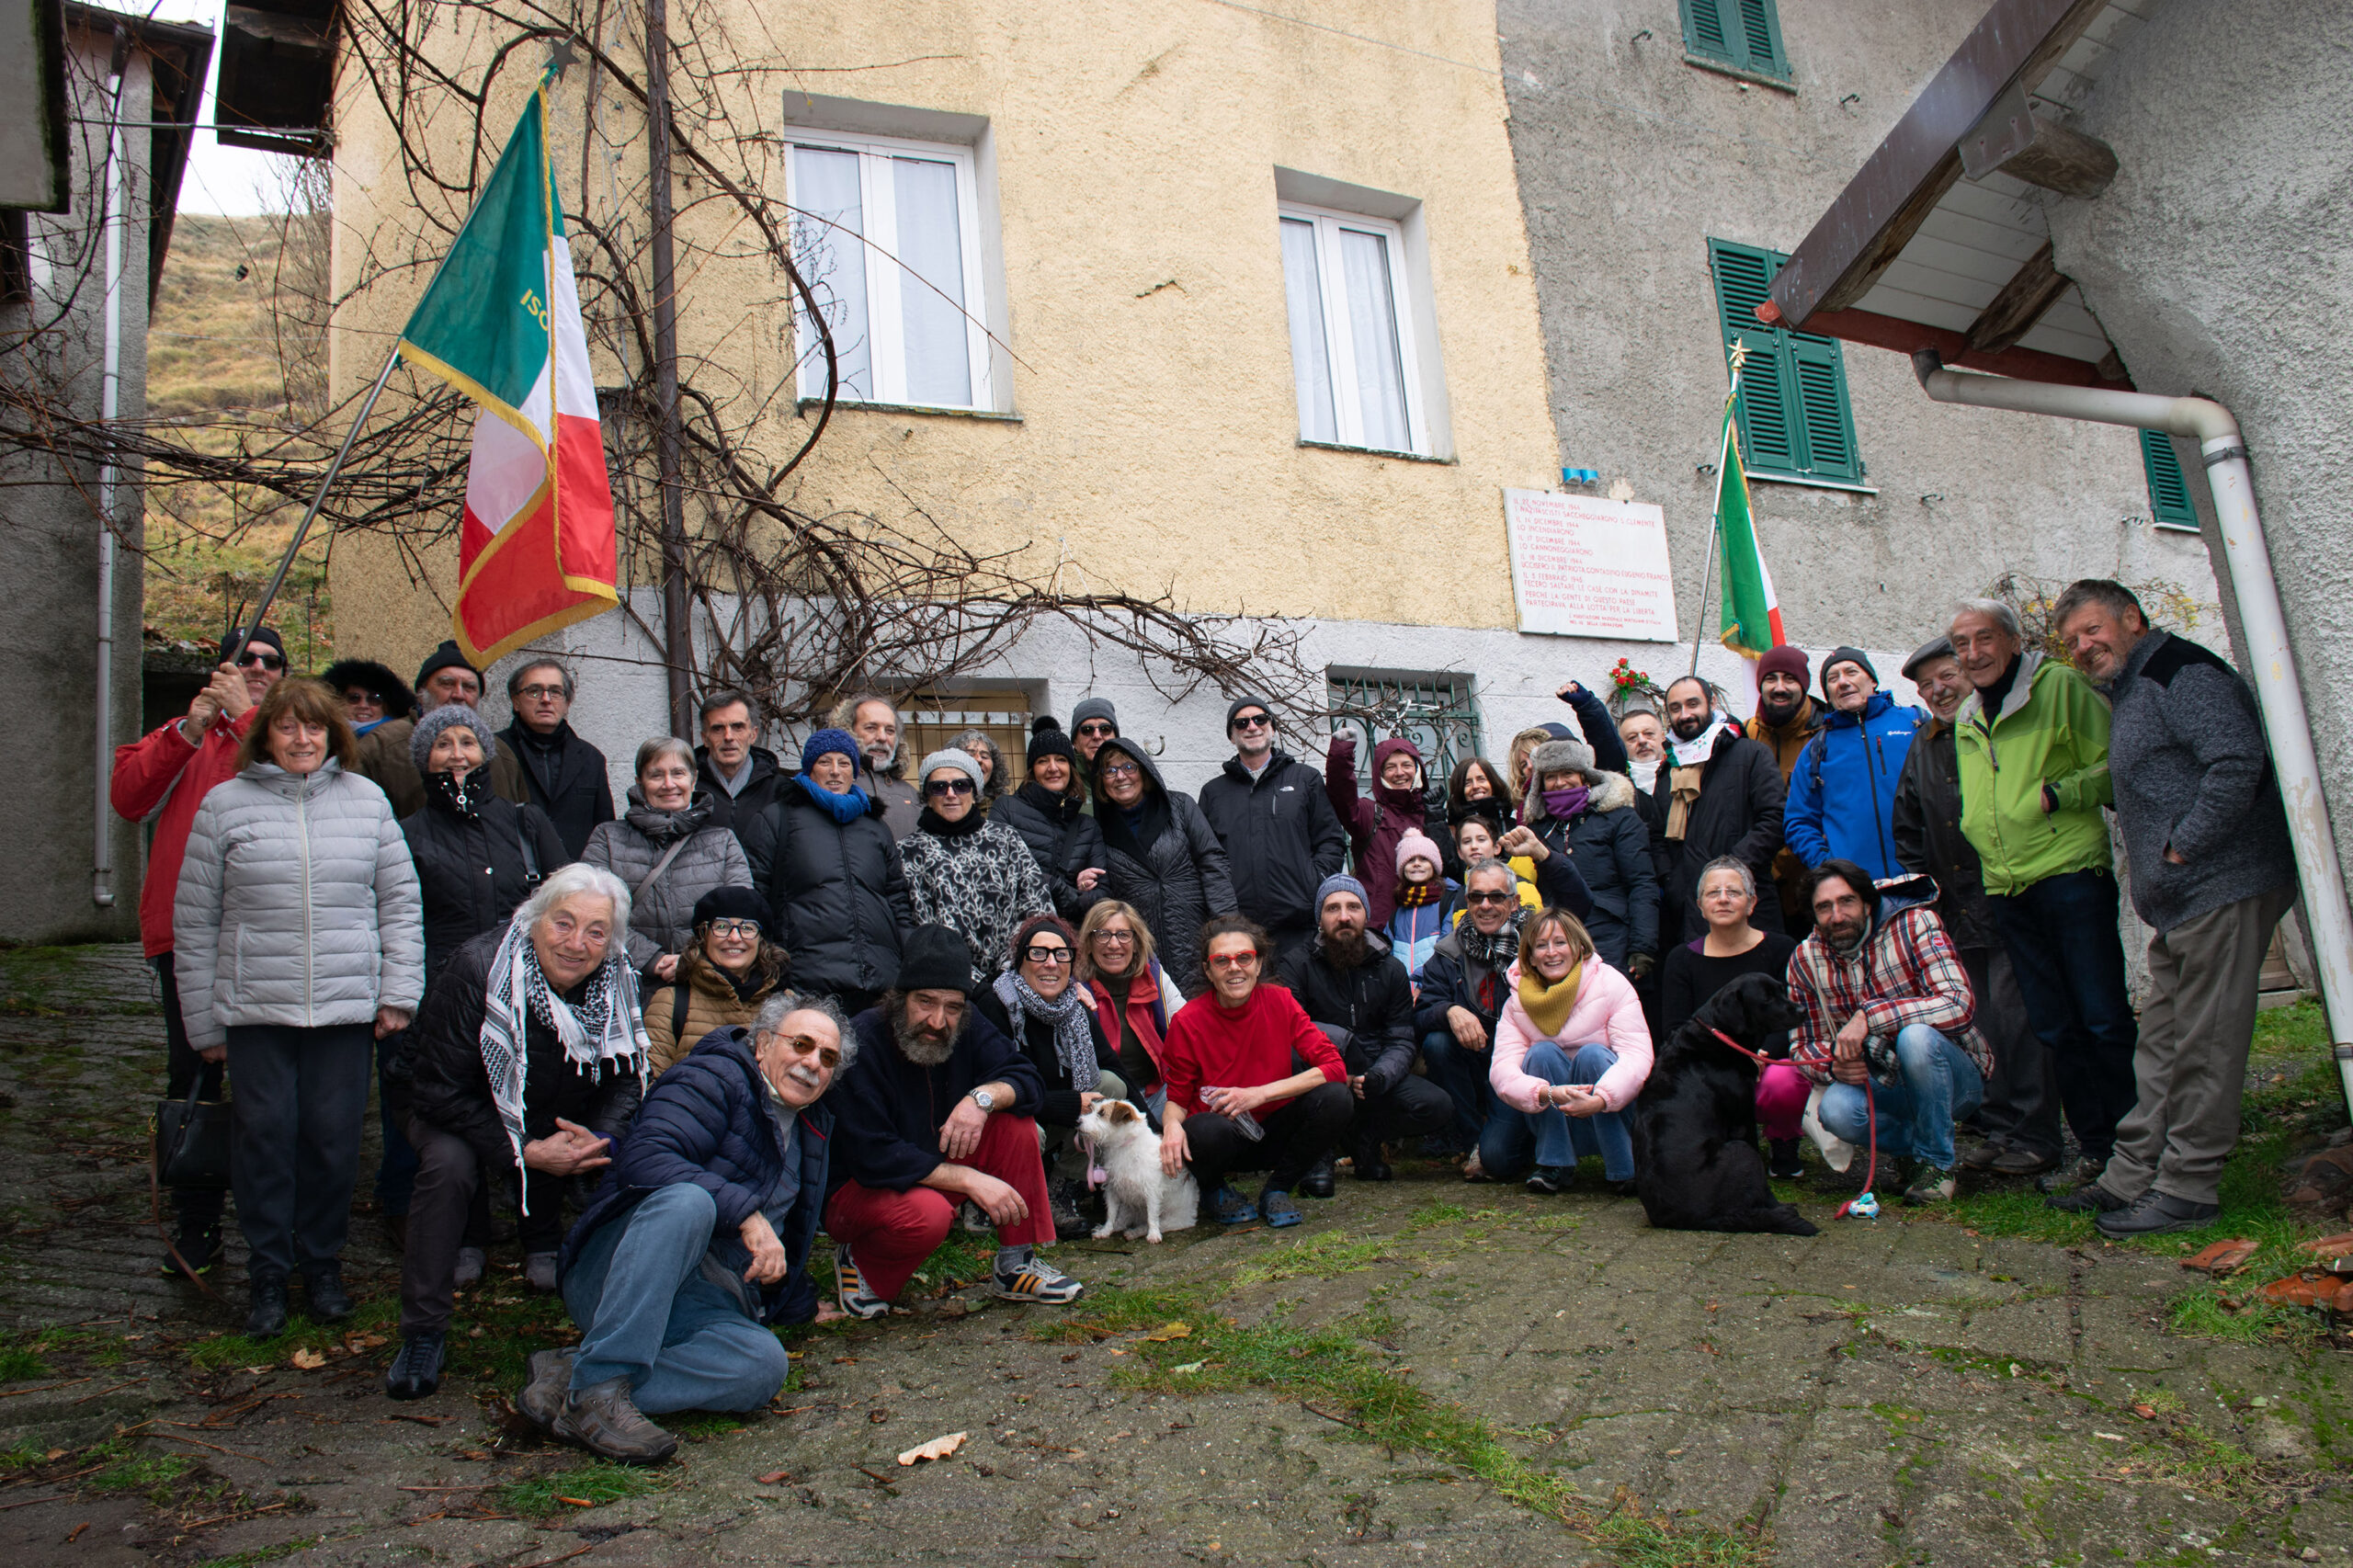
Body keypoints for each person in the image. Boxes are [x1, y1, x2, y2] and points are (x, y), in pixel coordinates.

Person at [174, 677, 425, 1336]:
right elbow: (195, 921)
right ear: (265, 735)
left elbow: (398, 904)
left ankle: (321, 1265)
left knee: (333, 1143)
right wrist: (204, 1021)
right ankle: (266, 1271)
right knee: (263, 1143)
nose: (302, 739)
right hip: (258, 1011)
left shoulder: (366, 802)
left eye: (314, 728)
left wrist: (398, 991)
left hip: (344, 1011)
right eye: (287, 727)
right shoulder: (225, 806)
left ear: (334, 735)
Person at [2049, 580, 2300, 1234]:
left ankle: (2189, 1187)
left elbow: (2237, 760)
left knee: (2205, 1045)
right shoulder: (2131, 689)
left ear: (2131, 618)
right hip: (2180, 903)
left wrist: (2183, 848)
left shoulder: (2180, 672)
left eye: (2093, 629)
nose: (2083, 646)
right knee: (2159, 1042)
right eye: (2073, 639)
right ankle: (2131, 1175)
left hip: (2223, 885)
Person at [526, 995, 846, 1463]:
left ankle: (574, 1376)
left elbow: (788, 1229)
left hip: (703, 1298)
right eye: (801, 1044)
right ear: (762, 1045)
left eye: (828, 1057)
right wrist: (746, 1214)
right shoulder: (708, 1078)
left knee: (763, 1366)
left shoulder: (811, 1125)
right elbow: (646, 1158)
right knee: (689, 1202)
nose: (812, 1062)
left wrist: (796, 1301)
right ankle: (598, 1384)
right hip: (622, 1271)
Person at [388, 865, 647, 1399]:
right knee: (449, 1169)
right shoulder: (478, 968)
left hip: (543, 1101)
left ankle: (592, 1289)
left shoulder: (616, 976)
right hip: (451, 1102)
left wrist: (596, 1137)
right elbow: (436, 1089)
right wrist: (525, 1151)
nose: (577, 943)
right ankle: (422, 1330)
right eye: (563, 923)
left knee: (627, 1154)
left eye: (596, 931)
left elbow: (625, 1076)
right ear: (535, 918)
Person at [113, 625, 287, 1276]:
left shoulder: (285, 739)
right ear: (221, 667)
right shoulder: (185, 736)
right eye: (247, 660)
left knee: (268, 1086)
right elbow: (131, 799)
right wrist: (190, 729)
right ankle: (196, 1223)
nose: (260, 669)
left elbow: (292, 785)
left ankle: (276, 1223)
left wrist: (246, 716)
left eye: (272, 662)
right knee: (193, 1077)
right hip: (186, 936)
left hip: (269, 937)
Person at [1948, 597, 2135, 1186]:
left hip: (2070, 873)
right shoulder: (1968, 715)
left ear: (2010, 641)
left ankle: (2136, 1144)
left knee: (2101, 1016)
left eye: (1984, 639)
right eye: (1961, 644)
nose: (1973, 654)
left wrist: (2060, 794)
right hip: (2008, 886)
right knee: (2054, 1025)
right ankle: (2096, 1149)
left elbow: (2116, 765)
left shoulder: (2059, 688)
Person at [823, 926, 1086, 1315]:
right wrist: (968, 1179)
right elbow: (872, 1153)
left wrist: (980, 1100)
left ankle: (1016, 1264)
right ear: (900, 997)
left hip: (932, 1166)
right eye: (925, 1002)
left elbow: (1025, 1077)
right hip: (860, 1191)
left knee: (1015, 1126)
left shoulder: (967, 1021)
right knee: (927, 1215)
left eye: (952, 1006)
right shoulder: (863, 1038)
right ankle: (859, 1260)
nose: (938, 1020)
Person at [390, 703, 568, 1249]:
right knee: (462, 1109)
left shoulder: (523, 822)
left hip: (527, 990)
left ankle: (540, 1239)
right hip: (446, 998)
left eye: (467, 741)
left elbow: (566, 894)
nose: (457, 753)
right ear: (426, 760)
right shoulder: (406, 833)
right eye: (443, 744)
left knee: (534, 1102)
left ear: (485, 752)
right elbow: (399, 916)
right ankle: (468, 1237)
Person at [1891, 634, 2058, 1178]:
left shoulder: (1994, 729)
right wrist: (1928, 894)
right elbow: (1908, 823)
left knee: (2019, 1018)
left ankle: (2036, 1135)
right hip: (1954, 908)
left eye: (1947, 677)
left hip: (2009, 896)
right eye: (1925, 685)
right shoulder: (1927, 741)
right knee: (1978, 1021)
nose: (1938, 690)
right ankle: (1999, 1126)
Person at [1787, 860, 1991, 1204]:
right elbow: (1802, 1045)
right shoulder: (1805, 959)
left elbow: (1959, 1004)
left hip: (1955, 1080)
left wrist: (1872, 1015)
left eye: (1846, 901)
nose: (1837, 916)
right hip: (1883, 1080)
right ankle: (1917, 1152)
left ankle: (1938, 1164)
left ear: (1867, 902)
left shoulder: (1916, 923)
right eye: (1824, 907)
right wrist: (1831, 1067)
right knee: (1835, 1111)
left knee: (1916, 1037)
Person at [1157, 915, 1352, 1229]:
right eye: (1222, 960)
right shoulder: (1188, 1021)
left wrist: (1259, 1094)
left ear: (1258, 964)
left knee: (1335, 1098)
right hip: (1222, 1140)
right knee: (1204, 1130)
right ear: (1208, 970)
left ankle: (1278, 1188)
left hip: (1274, 1131)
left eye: (1244, 957)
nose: (1235, 967)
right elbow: (1177, 1099)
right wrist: (1171, 1128)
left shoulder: (1280, 1001)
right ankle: (1214, 1190)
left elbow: (1334, 1068)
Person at [1279, 876, 1455, 1193]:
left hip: (1371, 1075)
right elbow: (1291, 1031)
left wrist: (1379, 1075)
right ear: (1319, 918)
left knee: (1435, 1105)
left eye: (1353, 907)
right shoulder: (1296, 964)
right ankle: (1318, 1154)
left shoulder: (1390, 968)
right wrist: (1341, 1058)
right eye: (1333, 908)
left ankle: (1364, 1138)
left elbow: (1401, 1037)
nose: (1344, 916)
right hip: (1319, 1075)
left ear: (1366, 914)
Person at [975, 913, 1124, 1238]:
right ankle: (986, 1197)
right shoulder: (995, 1004)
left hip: (1051, 1111)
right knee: (1026, 1129)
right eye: (1038, 953)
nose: (1051, 964)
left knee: (1111, 1086)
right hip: (1000, 1116)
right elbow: (997, 1091)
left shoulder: (1075, 1007)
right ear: (1021, 961)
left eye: (1061, 954)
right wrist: (1071, 1104)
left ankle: (1062, 1189)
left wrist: (1158, 1138)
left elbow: (1113, 1067)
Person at [1483, 908, 1651, 1194]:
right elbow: (1502, 1070)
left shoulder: (1610, 983)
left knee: (1593, 1054)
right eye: (1540, 945)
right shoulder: (1517, 1001)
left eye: (1560, 942)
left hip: (1611, 1103)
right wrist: (1546, 1093)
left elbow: (1638, 1056)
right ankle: (1555, 1165)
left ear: (1579, 947)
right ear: (1530, 957)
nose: (1551, 953)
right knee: (1541, 1053)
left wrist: (1601, 1098)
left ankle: (1625, 1167)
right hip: (1554, 1106)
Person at [1659, 858, 1805, 1178]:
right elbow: (1675, 1030)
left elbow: (1791, 1017)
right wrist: (1734, 1062)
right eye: (1713, 893)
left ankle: (1783, 1143)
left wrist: (1758, 1056)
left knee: (1784, 1083)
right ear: (1699, 905)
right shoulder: (1681, 960)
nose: (1723, 898)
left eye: (1733, 892)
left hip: (1769, 1064)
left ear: (1752, 902)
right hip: (1709, 1069)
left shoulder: (1782, 949)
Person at [758, 729, 913, 1015]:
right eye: (824, 762)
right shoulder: (779, 818)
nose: (834, 772)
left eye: (843, 763)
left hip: (879, 981)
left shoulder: (875, 826)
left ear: (855, 773)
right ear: (809, 769)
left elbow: (897, 899)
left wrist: (906, 961)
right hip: (808, 981)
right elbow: (759, 894)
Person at [582, 736, 753, 981]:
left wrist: (693, 962)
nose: (669, 784)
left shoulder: (722, 842)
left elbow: (741, 914)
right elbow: (590, 911)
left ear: (693, 780)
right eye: (656, 775)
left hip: (707, 982)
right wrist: (653, 960)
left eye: (678, 773)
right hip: (627, 982)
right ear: (639, 783)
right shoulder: (608, 838)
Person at [1196, 695, 1347, 960]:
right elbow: (1206, 857)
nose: (1252, 726)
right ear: (1232, 736)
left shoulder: (1305, 779)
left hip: (1299, 926)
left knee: (1297, 1000)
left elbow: (1330, 841)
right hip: (1238, 930)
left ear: (1273, 728)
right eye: (1241, 723)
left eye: (1260, 719)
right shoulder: (1213, 793)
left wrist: (1313, 884)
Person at [897, 747, 1055, 988]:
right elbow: (918, 928)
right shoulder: (909, 852)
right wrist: (974, 984)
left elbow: (1037, 910)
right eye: (939, 787)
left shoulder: (1006, 840)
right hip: (946, 983)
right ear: (927, 795)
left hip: (1016, 978)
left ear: (975, 791)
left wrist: (1007, 974)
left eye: (961, 785)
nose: (951, 794)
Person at [1093, 735, 1237, 998]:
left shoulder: (1180, 807)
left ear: (1144, 770)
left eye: (1128, 767)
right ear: (1101, 781)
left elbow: (1212, 861)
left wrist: (1227, 926)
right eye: (1110, 770)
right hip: (1142, 951)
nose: (1120, 776)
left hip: (1196, 936)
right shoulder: (1098, 829)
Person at [1651, 674, 1787, 945]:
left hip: (1749, 904)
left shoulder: (1751, 754)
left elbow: (1774, 818)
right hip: (1690, 909)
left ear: (1711, 703)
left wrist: (1731, 872)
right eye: (1675, 708)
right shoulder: (1669, 770)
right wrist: (1673, 881)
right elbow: (1656, 836)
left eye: (1693, 704)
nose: (1685, 714)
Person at [1506, 735, 1656, 976]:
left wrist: (1643, 946)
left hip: (1611, 934)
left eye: (1568, 773)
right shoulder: (1536, 828)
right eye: (1551, 776)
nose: (1559, 783)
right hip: (1555, 940)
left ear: (1584, 776)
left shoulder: (1618, 818)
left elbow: (1642, 883)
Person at [1415, 858, 1529, 1167]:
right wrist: (1450, 1010)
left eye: (1496, 897)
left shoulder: (1536, 946)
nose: (1486, 905)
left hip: (1523, 1063)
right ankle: (1475, 1140)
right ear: (1468, 901)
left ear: (1515, 902)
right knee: (1437, 1043)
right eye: (1477, 897)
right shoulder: (1447, 952)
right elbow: (1423, 1012)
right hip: (1476, 1060)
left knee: (1504, 1160)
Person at [1781, 647, 1922, 883]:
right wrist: (1829, 867)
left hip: (1923, 877)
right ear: (1828, 694)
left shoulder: (1914, 724)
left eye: (1851, 672)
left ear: (1872, 680)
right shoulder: (1817, 749)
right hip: (1857, 891)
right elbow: (1798, 821)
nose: (1843, 682)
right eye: (1832, 679)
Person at [642, 886, 794, 1075]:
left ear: (761, 940)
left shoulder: (788, 1004)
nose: (734, 937)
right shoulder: (671, 1003)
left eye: (747, 928)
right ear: (703, 936)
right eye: (722, 927)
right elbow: (652, 1087)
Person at [492, 658, 615, 860]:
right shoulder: (495, 752)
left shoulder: (591, 758)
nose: (546, 699)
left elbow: (605, 828)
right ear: (515, 701)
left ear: (567, 703)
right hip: (514, 876)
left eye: (556, 692)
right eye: (534, 691)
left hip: (575, 879)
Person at [1074, 899, 1187, 1117]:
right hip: (1105, 1102)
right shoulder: (1074, 987)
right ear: (1088, 942)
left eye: (1123, 935)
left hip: (1158, 1092)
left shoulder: (1154, 976)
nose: (1114, 944)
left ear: (1136, 942)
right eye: (1102, 935)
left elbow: (1189, 1027)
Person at [352, 641, 487, 819]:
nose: (459, 695)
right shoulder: (381, 746)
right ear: (422, 694)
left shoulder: (501, 753)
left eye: (469, 687)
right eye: (447, 684)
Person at [991, 718, 1108, 920]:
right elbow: (996, 876)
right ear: (1032, 770)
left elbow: (1102, 898)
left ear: (1071, 768)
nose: (1053, 768)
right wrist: (1062, 887)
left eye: (1061, 760)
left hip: (1068, 942)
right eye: (1042, 761)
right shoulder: (1006, 809)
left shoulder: (1087, 826)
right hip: (1019, 936)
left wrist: (1070, 892)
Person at [1743, 645, 1824, 929]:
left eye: (1789, 678)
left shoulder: (1827, 736)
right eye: (1771, 678)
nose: (1779, 687)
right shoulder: (1747, 734)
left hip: (1812, 883)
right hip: (1758, 885)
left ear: (1804, 684)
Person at [1324, 733, 1429, 928]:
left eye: (1406, 765)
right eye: (1390, 767)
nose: (1399, 773)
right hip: (1379, 928)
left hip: (1425, 926)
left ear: (1417, 769)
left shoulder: (1432, 813)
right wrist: (1342, 750)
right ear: (1380, 774)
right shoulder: (1369, 814)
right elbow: (1340, 793)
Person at [693, 689, 787, 880]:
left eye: (737, 727)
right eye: (718, 728)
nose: (728, 737)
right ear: (704, 738)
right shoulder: (686, 790)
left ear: (753, 734)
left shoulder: (781, 791)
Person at [828, 692, 921, 839]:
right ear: (848, 732)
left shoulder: (911, 794)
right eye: (871, 728)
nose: (882, 737)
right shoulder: (828, 786)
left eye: (890, 730)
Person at [1383, 830, 1460, 985]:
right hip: (1405, 996)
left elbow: (1446, 947)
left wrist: (1420, 982)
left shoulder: (1448, 902)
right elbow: (1388, 957)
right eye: (1410, 860)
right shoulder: (1398, 912)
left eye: (1424, 859)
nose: (1416, 863)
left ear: (1434, 865)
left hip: (1435, 990)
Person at [324, 659, 414, 739]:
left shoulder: (402, 739)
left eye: (374, 699)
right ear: (340, 702)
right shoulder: (325, 737)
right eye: (354, 698)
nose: (363, 705)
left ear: (386, 707)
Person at [1068, 697, 1120, 816]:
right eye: (1087, 730)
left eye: (1105, 729)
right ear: (1075, 741)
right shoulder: (1063, 785)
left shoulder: (1132, 779)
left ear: (1116, 738)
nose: (1097, 736)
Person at [948, 726, 1013, 812]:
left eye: (984, 756)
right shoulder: (943, 807)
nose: (978, 759)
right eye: (970, 755)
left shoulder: (1007, 809)